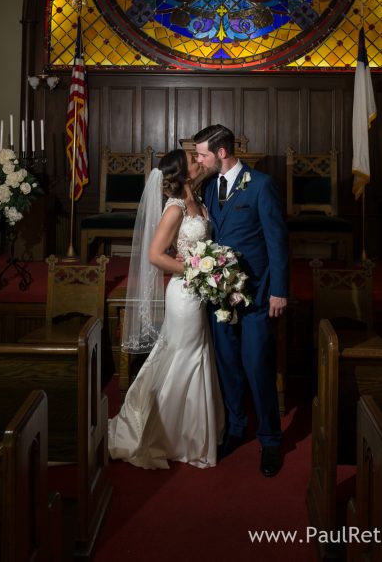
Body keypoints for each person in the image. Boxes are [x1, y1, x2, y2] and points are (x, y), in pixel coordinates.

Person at [108, 148, 224, 469]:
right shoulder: (174, 208)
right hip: (183, 293)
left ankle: (190, 432)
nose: (198, 161)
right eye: (193, 159)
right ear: (182, 173)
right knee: (184, 357)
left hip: (199, 291)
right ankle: (171, 436)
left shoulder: (197, 201)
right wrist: (192, 269)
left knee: (193, 355)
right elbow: (155, 254)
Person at [193, 124, 288, 477]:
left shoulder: (261, 185)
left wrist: (280, 289)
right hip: (219, 297)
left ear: (221, 153)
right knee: (228, 366)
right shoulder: (207, 185)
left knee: (257, 366)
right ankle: (235, 428)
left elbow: (277, 240)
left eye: (202, 153)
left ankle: (270, 439)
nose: (198, 160)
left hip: (257, 295)